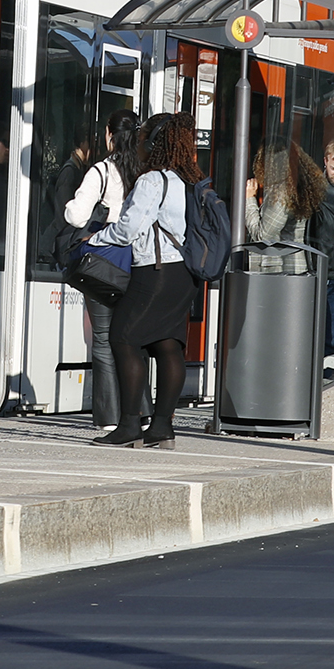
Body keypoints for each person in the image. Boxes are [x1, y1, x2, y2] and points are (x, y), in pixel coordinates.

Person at [88, 110, 205, 448]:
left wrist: (95, 239)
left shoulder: (152, 181)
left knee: (123, 338)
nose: (138, 145)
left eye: (142, 139)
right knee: (168, 344)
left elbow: (129, 229)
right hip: (184, 273)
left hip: (155, 270)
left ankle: (129, 425)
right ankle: (162, 427)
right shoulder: (188, 180)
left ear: (155, 144)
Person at [62, 111, 137, 431]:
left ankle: (108, 417)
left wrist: (71, 207)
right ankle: (140, 410)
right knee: (132, 339)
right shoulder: (144, 172)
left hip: (104, 264)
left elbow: (77, 216)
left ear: (109, 135)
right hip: (138, 262)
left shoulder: (102, 171)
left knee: (104, 339)